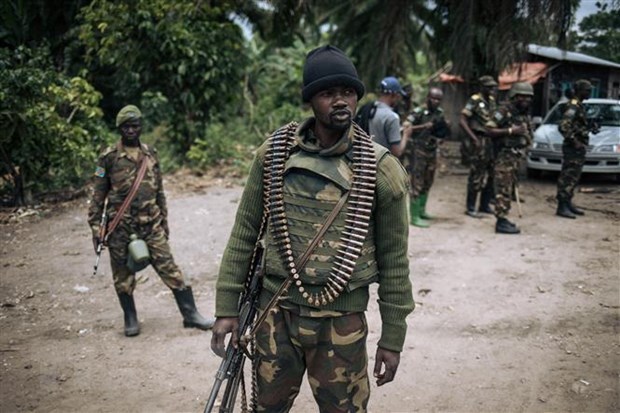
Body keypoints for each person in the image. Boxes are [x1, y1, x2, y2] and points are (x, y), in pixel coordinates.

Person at [210, 45, 415, 412]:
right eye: (327, 93)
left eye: (348, 92)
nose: (341, 101)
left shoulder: (381, 169)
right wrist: (227, 308)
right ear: (310, 101)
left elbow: (395, 261)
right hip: (276, 314)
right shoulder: (273, 154)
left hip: (342, 323)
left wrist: (393, 337)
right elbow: (243, 233)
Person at [87, 105, 214, 337]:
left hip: (151, 225)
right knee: (123, 277)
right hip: (120, 227)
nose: (131, 130)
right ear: (120, 129)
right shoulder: (108, 158)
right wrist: (96, 228)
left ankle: (191, 315)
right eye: (126, 126)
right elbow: (97, 196)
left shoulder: (150, 155)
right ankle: (130, 317)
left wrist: (164, 222)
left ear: (141, 127)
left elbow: (160, 192)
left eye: (135, 126)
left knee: (170, 269)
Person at [484, 82, 534, 234]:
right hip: (503, 157)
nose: (525, 100)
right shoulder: (504, 110)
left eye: (528, 97)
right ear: (514, 96)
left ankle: (504, 217)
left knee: (508, 188)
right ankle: (501, 221)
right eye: (522, 96)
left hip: (515, 157)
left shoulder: (522, 112)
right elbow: (489, 129)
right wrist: (512, 131)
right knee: (502, 189)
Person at [401, 87, 449, 227]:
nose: (435, 101)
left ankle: (422, 210)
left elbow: (439, 129)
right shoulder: (418, 112)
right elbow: (405, 127)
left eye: (438, 99)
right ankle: (414, 216)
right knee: (417, 182)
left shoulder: (440, 113)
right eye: (433, 98)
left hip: (432, 150)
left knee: (429, 180)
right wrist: (423, 126)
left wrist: (441, 136)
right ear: (427, 97)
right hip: (418, 151)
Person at [460, 75, 498, 217]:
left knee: (492, 174)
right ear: (482, 87)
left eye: (493, 86)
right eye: (489, 87)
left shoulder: (492, 101)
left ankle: (484, 205)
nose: (492, 89)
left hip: (491, 141)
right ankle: (470, 207)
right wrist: (473, 138)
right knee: (477, 174)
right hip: (479, 139)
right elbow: (462, 120)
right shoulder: (474, 100)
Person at [555, 79, 593, 219]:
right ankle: (562, 206)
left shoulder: (580, 106)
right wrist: (574, 141)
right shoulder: (573, 106)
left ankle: (568, 202)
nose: (589, 93)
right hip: (573, 148)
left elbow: (577, 125)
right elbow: (563, 126)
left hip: (579, 147)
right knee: (568, 176)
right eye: (587, 90)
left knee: (574, 177)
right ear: (579, 91)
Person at [368, 76, 412, 157]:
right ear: (393, 95)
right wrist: (406, 134)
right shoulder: (392, 117)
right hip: (381, 164)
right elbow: (397, 152)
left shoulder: (368, 109)